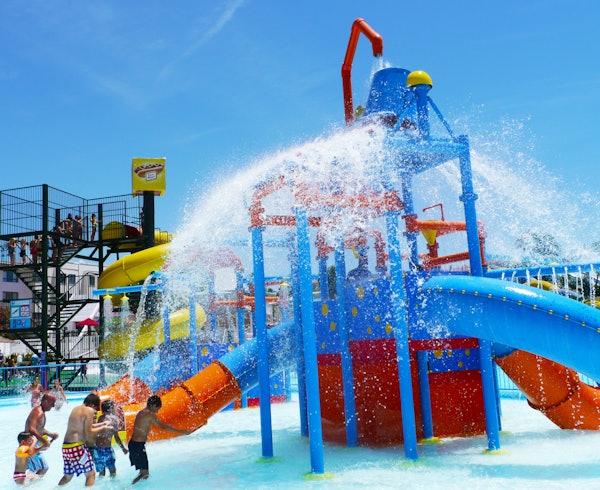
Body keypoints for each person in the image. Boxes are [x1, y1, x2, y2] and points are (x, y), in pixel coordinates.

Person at [128, 395, 192, 484]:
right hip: (138, 446)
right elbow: (163, 427)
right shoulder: (150, 414)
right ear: (154, 405)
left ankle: (133, 486)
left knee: (143, 472)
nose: (157, 411)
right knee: (145, 474)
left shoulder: (141, 412)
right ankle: (128, 487)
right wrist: (182, 432)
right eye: (158, 409)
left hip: (133, 445)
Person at [58, 393, 110, 487]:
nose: (95, 411)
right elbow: (89, 432)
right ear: (92, 405)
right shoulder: (89, 410)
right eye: (95, 409)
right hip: (77, 446)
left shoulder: (75, 409)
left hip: (66, 447)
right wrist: (103, 428)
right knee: (91, 474)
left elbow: (86, 426)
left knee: (68, 476)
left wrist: (102, 424)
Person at [89, 400, 128, 477]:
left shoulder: (100, 418)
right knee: (113, 472)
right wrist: (123, 448)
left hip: (97, 449)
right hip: (107, 449)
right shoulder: (114, 420)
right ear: (110, 409)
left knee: (101, 473)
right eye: (114, 407)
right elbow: (116, 437)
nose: (115, 409)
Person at [24, 393, 58, 477]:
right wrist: (44, 440)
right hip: (30, 444)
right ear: (45, 402)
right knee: (42, 468)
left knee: (37, 469)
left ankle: (28, 482)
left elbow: (39, 428)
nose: (53, 406)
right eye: (52, 403)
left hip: (32, 443)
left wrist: (50, 434)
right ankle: (29, 483)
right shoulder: (39, 412)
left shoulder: (40, 411)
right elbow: (31, 428)